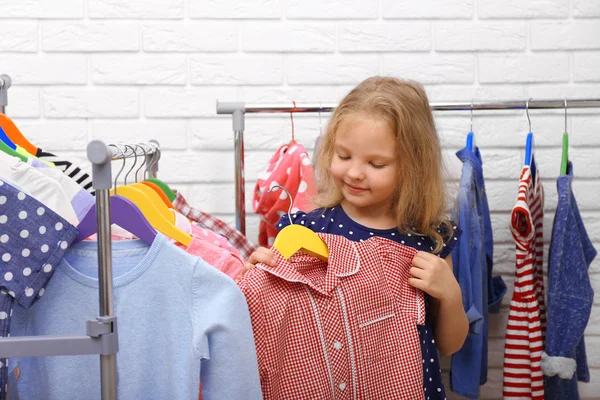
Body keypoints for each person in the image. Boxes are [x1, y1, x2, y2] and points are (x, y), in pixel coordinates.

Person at [243, 76, 468, 398]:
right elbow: (275, 333)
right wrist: (257, 276)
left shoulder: (428, 240)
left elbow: (449, 345)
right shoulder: (305, 232)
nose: (354, 173)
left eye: (376, 163)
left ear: (412, 165)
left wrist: (450, 295)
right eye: (344, 156)